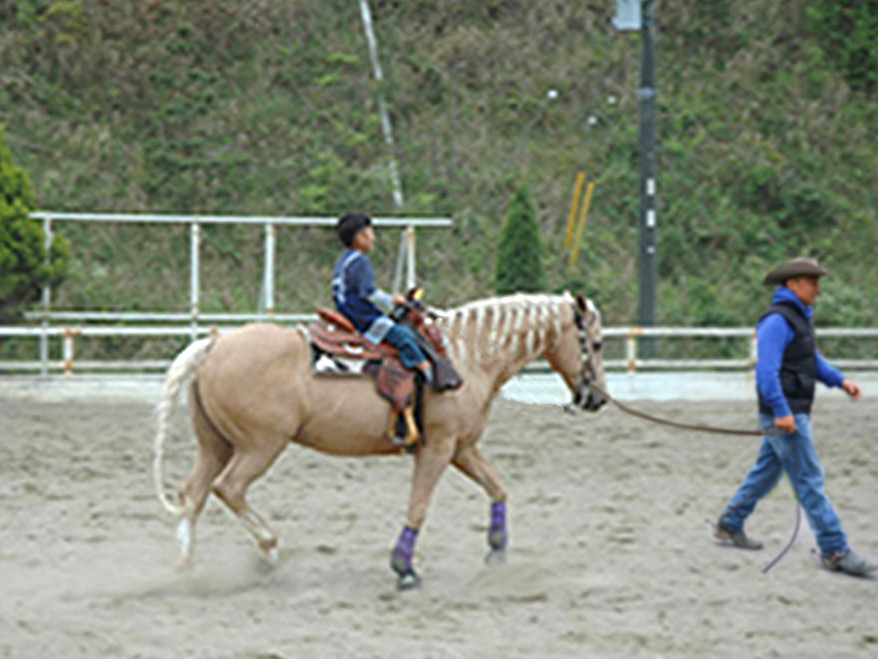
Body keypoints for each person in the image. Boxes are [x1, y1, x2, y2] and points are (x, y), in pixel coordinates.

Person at [714, 257, 878, 576]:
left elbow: (811, 361)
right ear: (793, 285)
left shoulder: (797, 319)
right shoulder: (777, 321)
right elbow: (766, 373)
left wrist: (840, 380)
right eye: (812, 281)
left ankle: (730, 524)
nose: (818, 288)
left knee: (768, 472)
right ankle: (835, 550)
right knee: (809, 479)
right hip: (787, 415)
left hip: (790, 412)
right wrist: (781, 411)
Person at [331, 212, 433, 387]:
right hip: (362, 316)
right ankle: (425, 374)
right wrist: (392, 300)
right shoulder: (361, 262)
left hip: (346, 310)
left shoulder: (344, 259)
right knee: (404, 337)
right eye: (370, 233)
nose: (374, 238)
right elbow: (368, 293)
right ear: (359, 237)